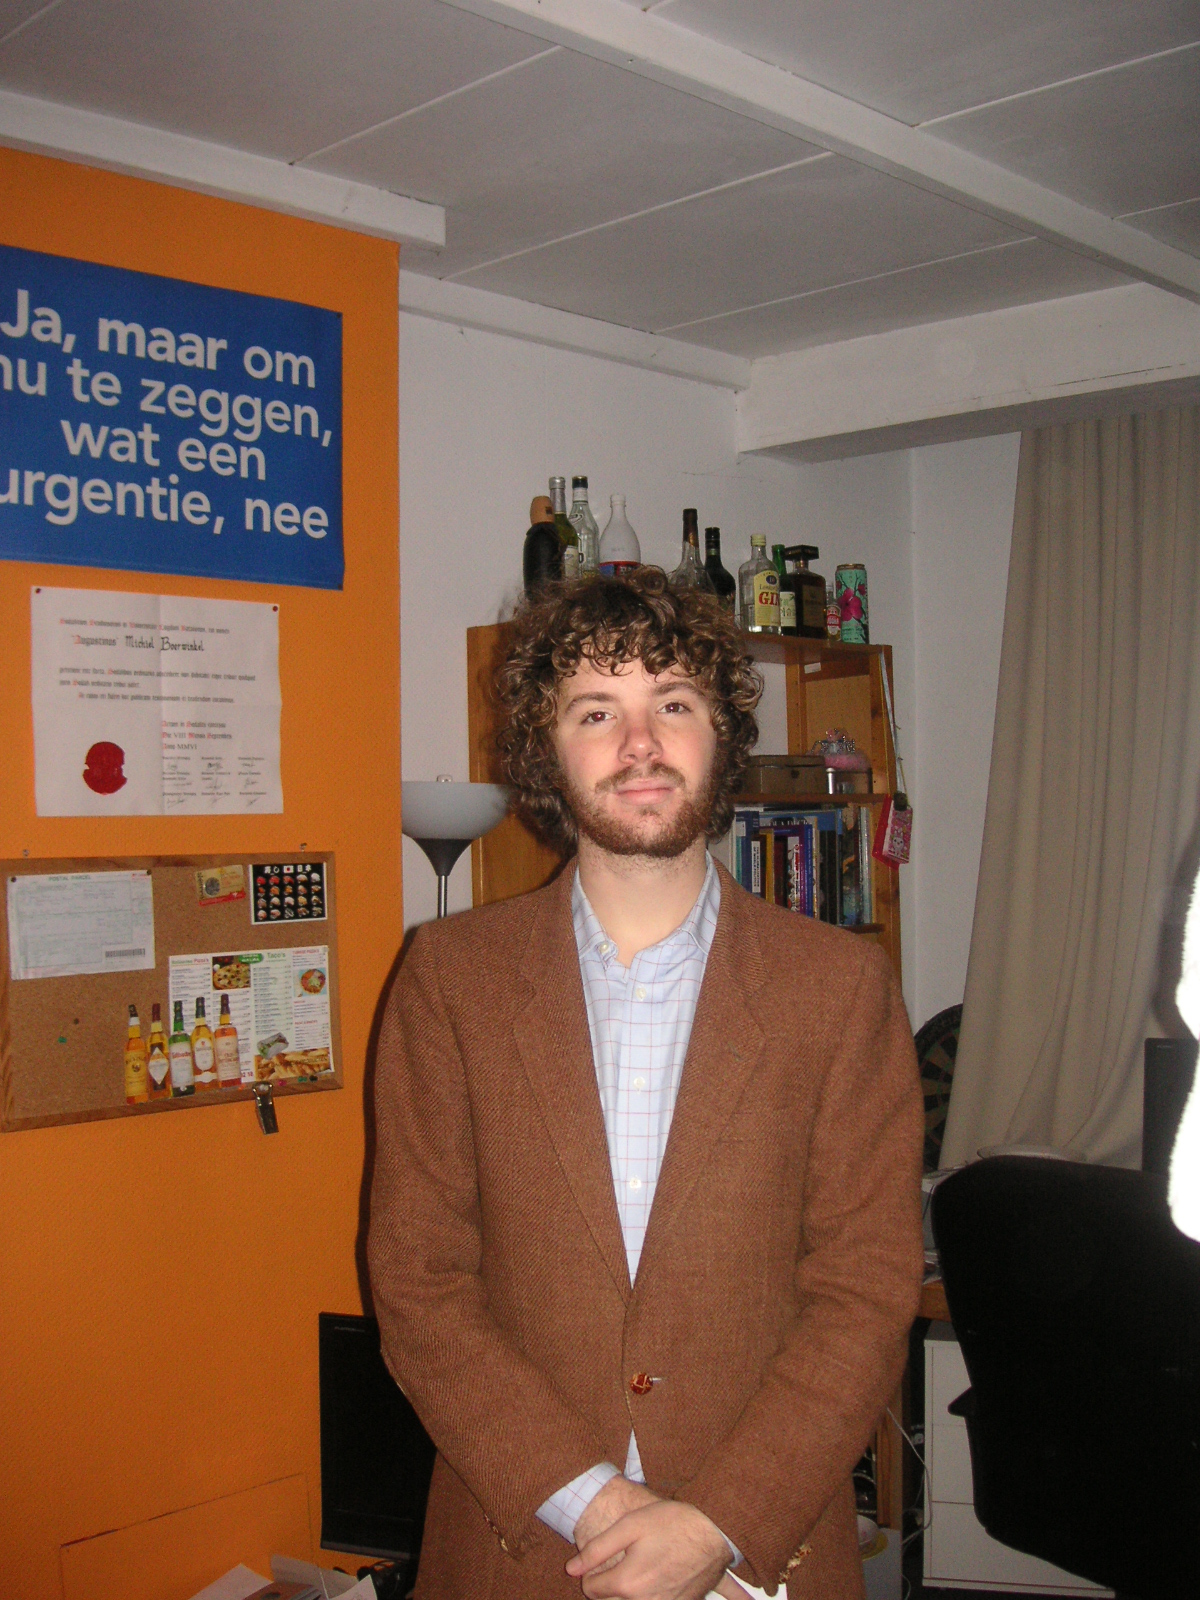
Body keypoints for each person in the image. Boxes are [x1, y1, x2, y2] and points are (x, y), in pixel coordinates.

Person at [369, 568, 923, 1600]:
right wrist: (594, 1503)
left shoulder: (839, 989)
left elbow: (866, 1291)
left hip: (761, 1556)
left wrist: (720, 1522)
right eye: (596, 712)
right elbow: (418, 1285)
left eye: (672, 703)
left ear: (720, 735)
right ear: (547, 751)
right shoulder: (449, 980)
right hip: (519, 1547)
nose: (639, 744)